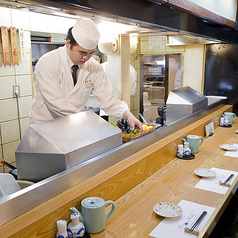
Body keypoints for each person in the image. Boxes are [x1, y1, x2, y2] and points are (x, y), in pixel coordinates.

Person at [29, 17, 142, 132]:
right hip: (45, 128)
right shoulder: (48, 62)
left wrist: (128, 115)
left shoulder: (94, 67)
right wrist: (87, 123)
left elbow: (108, 99)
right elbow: (56, 104)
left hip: (72, 127)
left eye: (91, 53)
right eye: (82, 52)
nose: (86, 58)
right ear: (68, 44)